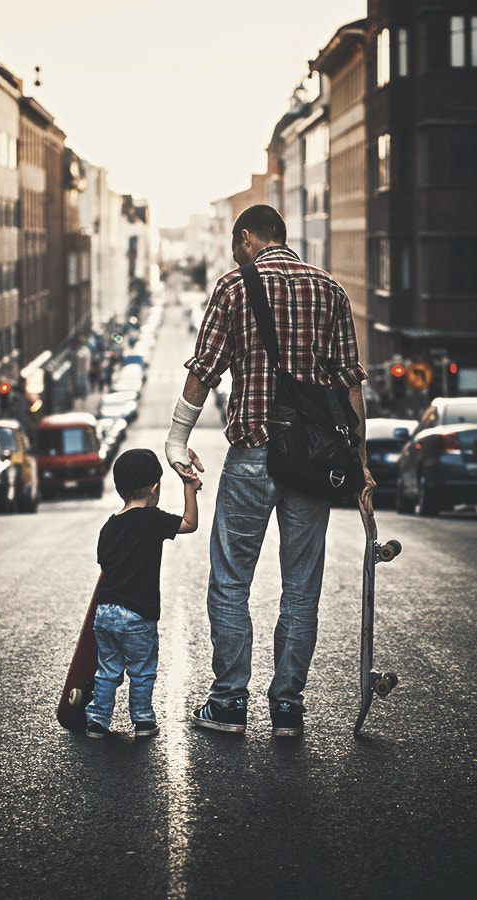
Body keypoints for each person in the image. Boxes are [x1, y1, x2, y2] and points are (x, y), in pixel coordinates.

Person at [164, 204, 374, 738]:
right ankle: (287, 708)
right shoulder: (331, 289)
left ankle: (230, 703)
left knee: (231, 578)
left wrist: (178, 439)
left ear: (246, 238)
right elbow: (351, 386)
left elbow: (205, 370)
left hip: (254, 453)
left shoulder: (234, 286)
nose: (236, 254)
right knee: (302, 586)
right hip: (312, 461)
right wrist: (361, 468)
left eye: (238, 246)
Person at [86, 447, 201, 739]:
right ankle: (143, 719)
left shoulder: (109, 526)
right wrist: (190, 487)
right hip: (137, 616)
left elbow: (105, 564)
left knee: (108, 670)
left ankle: (97, 720)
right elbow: (189, 523)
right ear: (154, 488)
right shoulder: (152, 519)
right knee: (141, 670)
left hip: (105, 613)